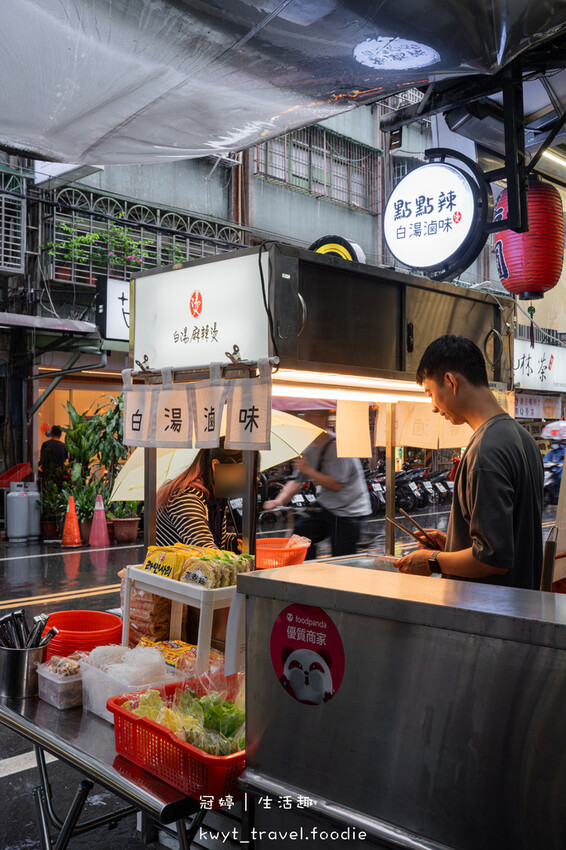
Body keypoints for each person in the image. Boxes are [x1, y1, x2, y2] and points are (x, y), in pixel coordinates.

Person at [396, 335, 543, 589]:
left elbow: (492, 560)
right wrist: (453, 545)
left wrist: (432, 561)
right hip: (521, 603)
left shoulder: (486, 451)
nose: (433, 407)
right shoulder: (523, 438)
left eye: (431, 393)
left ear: (450, 382)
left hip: (488, 609)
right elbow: (507, 540)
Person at [264, 414, 371, 559]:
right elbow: (296, 480)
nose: (307, 420)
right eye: (306, 416)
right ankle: (307, 569)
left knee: (341, 555)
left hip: (350, 511)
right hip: (327, 506)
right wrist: (278, 501)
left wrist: (308, 470)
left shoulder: (338, 446)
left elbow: (335, 484)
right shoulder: (309, 449)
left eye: (312, 416)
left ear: (323, 419)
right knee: (300, 536)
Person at [156, 443, 243, 551]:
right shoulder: (187, 498)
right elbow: (205, 550)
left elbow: (218, 541)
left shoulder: (216, 497)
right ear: (215, 465)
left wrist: (236, 542)